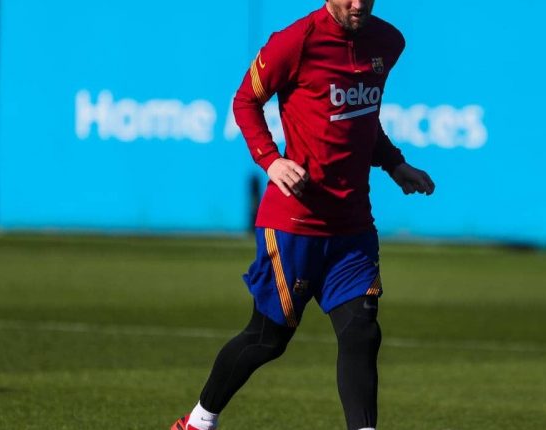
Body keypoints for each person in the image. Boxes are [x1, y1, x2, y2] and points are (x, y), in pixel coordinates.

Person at [172, 1, 434, 429]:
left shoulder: (387, 41)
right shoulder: (295, 42)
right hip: (295, 222)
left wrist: (394, 164)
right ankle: (198, 422)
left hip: (352, 224)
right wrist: (271, 160)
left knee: (362, 331)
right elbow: (245, 100)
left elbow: (361, 118)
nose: (358, 4)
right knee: (267, 339)